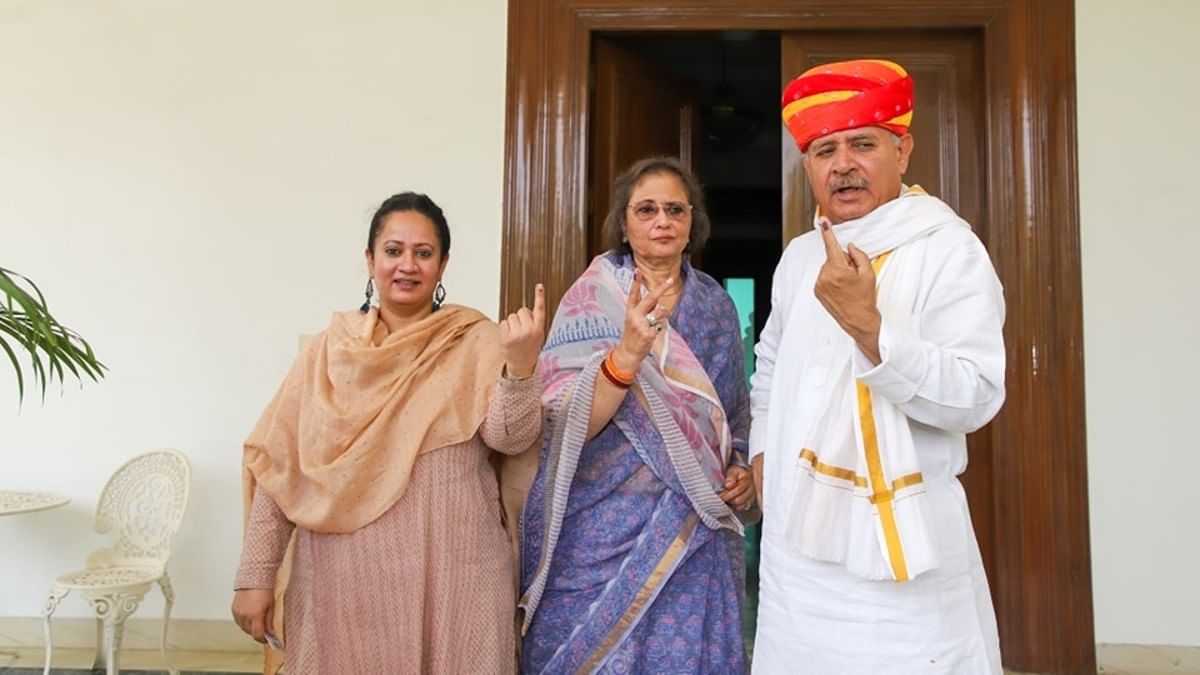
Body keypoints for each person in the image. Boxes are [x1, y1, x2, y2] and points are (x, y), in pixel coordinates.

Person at [749, 60, 1006, 673]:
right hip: (795, 553)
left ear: (902, 150)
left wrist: (869, 326)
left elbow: (975, 396)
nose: (842, 164)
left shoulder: (947, 248)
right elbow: (770, 367)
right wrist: (763, 453)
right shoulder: (799, 256)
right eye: (823, 150)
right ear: (807, 167)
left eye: (863, 144)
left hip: (901, 556)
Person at [230, 192, 544, 674]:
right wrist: (254, 577)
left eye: (423, 253)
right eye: (394, 251)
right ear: (370, 259)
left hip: (454, 577)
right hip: (344, 586)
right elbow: (282, 468)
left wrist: (520, 367)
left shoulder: (474, 338)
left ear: (443, 264)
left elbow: (510, 439)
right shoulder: (327, 353)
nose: (407, 265)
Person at [520, 156, 755, 674]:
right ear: (624, 224)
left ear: (694, 222)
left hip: (693, 523)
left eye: (676, 209)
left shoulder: (715, 305)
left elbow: (732, 413)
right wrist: (625, 355)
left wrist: (740, 466)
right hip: (601, 522)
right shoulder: (592, 298)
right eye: (646, 209)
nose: (662, 221)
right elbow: (559, 418)